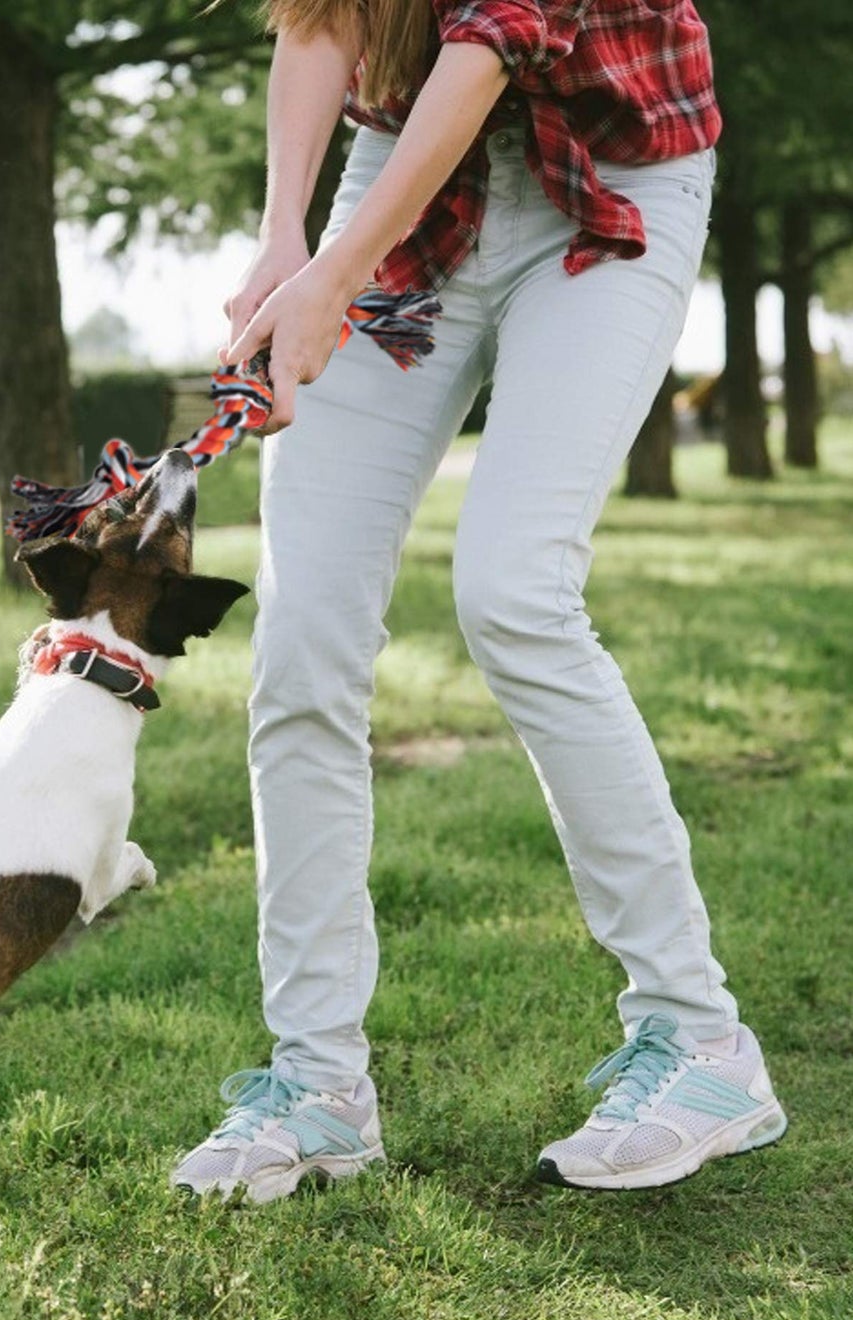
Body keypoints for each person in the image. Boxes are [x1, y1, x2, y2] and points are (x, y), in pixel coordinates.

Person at [171, 0, 787, 1201]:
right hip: (403, 179)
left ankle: (701, 1040)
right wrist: (282, 236)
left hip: (611, 169)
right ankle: (317, 1083)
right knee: (300, 639)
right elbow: (317, 21)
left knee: (512, 590)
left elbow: (491, 40)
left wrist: (332, 278)